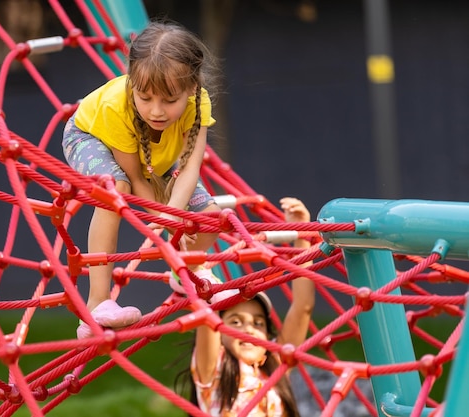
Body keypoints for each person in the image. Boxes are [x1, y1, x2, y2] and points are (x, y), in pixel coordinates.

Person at [62, 19, 222, 339]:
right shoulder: (115, 107)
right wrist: (162, 217)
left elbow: (189, 169)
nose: (156, 111)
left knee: (211, 218)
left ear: (191, 89)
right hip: (91, 138)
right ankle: (97, 302)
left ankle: (187, 269)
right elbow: (135, 177)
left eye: (169, 100)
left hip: (157, 157)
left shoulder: (198, 103)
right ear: (132, 83)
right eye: (145, 98)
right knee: (114, 190)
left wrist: (174, 216)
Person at [177, 198, 314, 417]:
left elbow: (303, 307)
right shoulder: (214, 370)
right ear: (220, 334)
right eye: (236, 322)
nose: (249, 329)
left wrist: (302, 237)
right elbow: (207, 316)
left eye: (258, 323)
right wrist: (195, 271)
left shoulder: (274, 370)